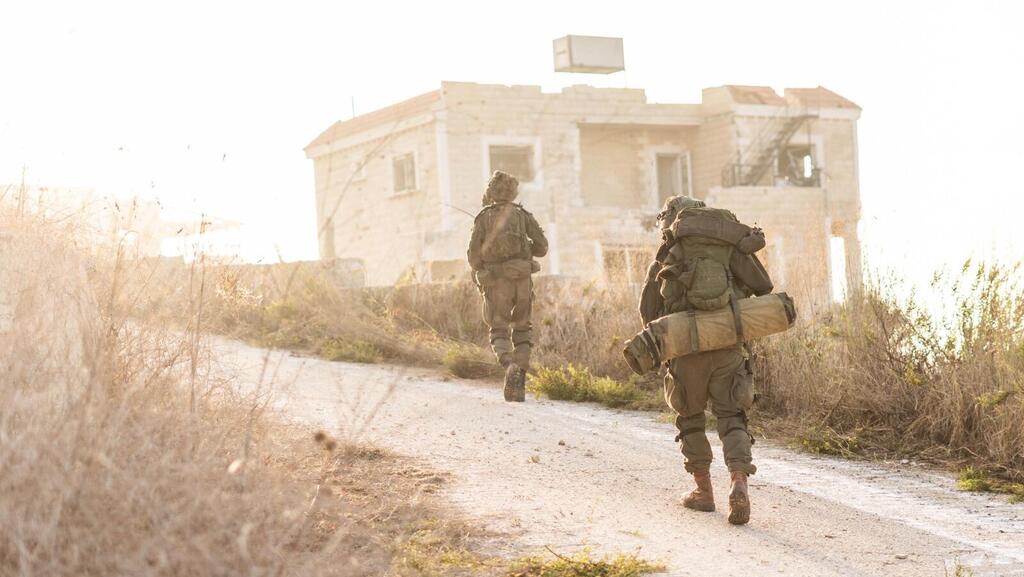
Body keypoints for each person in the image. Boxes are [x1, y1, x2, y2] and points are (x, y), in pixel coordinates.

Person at [639, 195, 771, 525]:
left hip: (685, 349)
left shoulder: (670, 251)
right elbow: (764, 287)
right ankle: (738, 482)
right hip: (727, 344)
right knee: (732, 417)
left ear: (672, 219)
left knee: (690, 417)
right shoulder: (729, 246)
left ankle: (703, 492)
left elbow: (647, 311)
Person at [467, 170, 548, 402]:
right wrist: (523, 254)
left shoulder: (483, 217)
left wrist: (485, 266)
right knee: (522, 330)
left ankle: (509, 364)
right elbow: (542, 247)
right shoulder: (524, 216)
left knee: (499, 330)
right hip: (522, 280)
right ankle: (518, 384)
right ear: (513, 192)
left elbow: (473, 257)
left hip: (495, 282)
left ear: (491, 192)